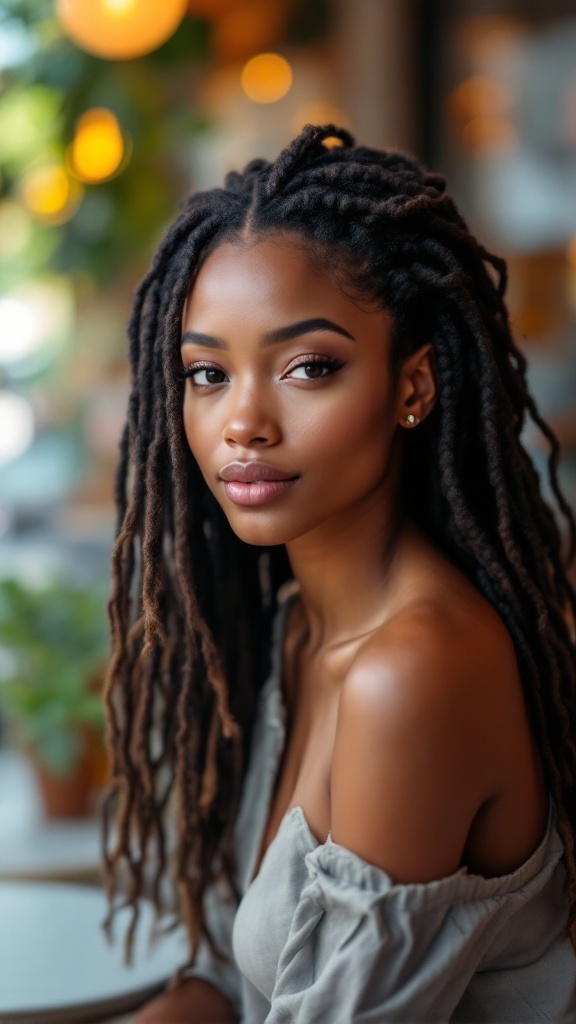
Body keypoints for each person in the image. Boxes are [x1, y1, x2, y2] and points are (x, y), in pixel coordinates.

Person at [102, 124, 576, 1023]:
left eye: (308, 367)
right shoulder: (294, 626)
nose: (243, 420)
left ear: (413, 386)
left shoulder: (416, 672)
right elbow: (230, 978)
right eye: (206, 373)